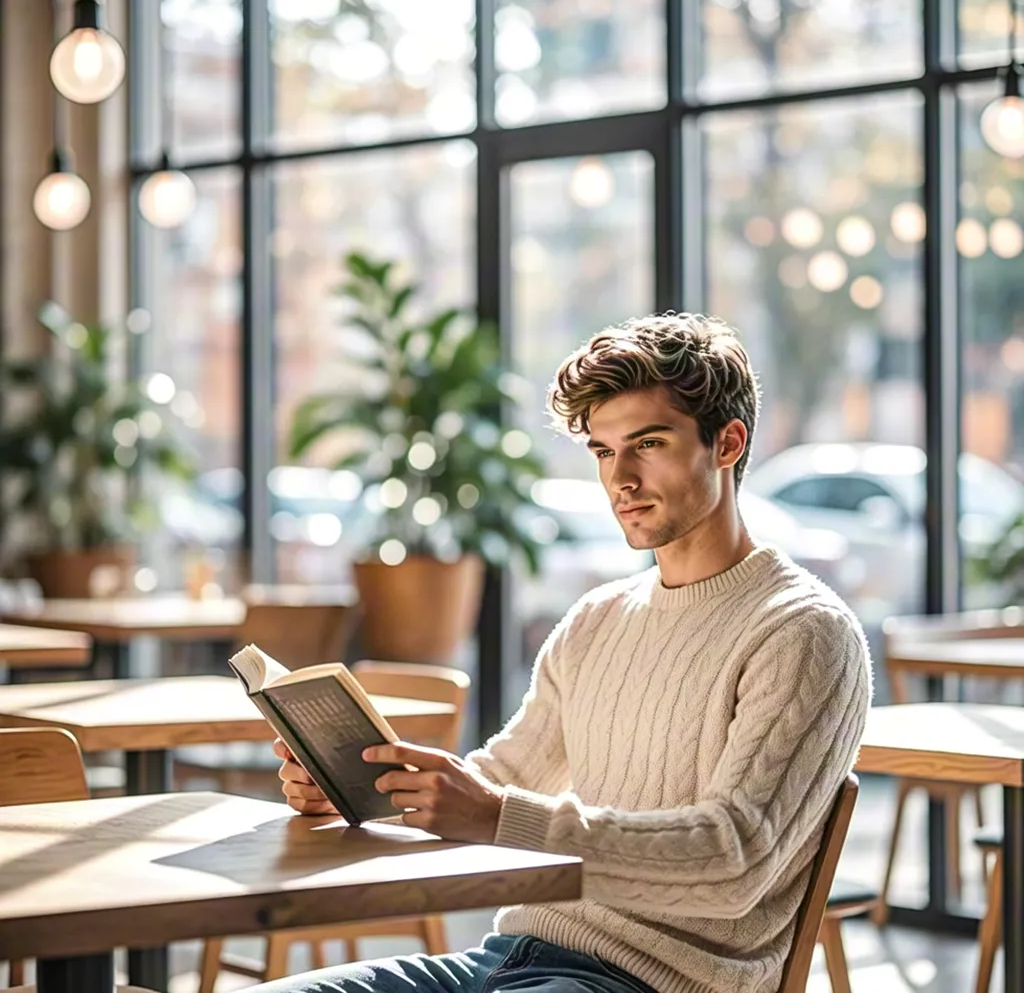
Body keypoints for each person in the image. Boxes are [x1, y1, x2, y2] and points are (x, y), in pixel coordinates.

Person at [260, 313, 872, 993]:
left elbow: (733, 861)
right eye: (605, 452)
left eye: (649, 443)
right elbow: (502, 777)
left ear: (727, 444)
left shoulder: (803, 632)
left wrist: (494, 815)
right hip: (512, 959)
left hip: (652, 983)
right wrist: (360, 791)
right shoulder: (596, 621)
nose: (622, 479)